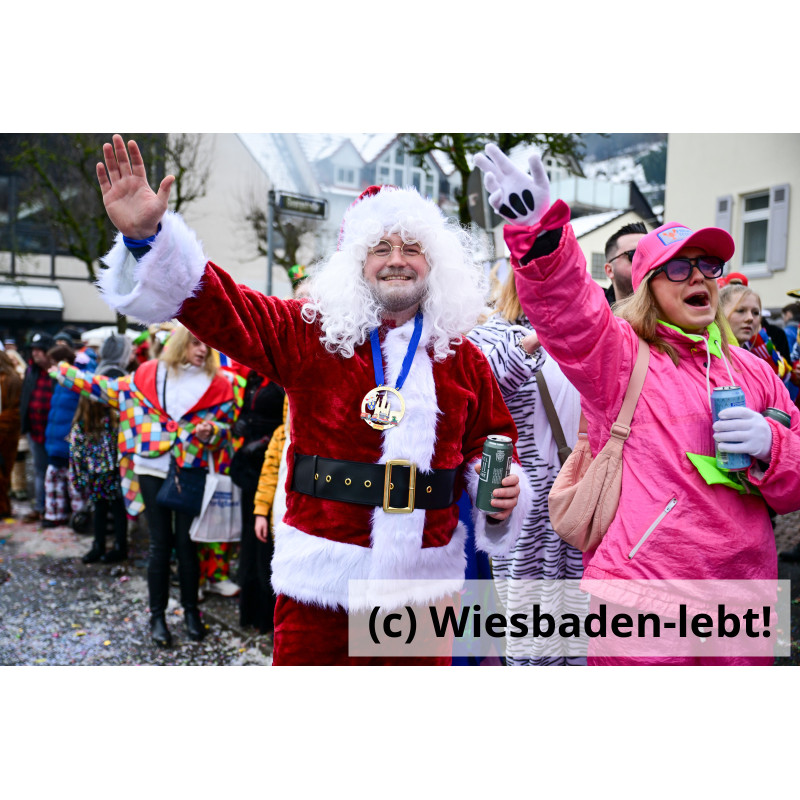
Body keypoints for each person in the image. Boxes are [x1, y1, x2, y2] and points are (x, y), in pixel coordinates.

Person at [92, 134, 527, 666]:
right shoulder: (311, 335)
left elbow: (493, 440)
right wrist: (148, 240)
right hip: (321, 589)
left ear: (433, 263)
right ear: (357, 263)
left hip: (421, 591)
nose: (397, 261)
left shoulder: (461, 356)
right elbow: (222, 306)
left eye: (412, 248)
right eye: (381, 249)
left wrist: (502, 489)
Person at [476, 143, 800, 666]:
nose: (699, 277)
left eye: (708, 265)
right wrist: (539, 234)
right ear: (648, 287)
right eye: (679, 268)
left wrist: (774, 446)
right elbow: (569, 312)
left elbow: (793, 489)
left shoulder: (756, 371)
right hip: (645, 597)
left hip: (745, 596)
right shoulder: (622, 359)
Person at [51, 323, 242, 647]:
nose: (202, 350)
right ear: (181, 343)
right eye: (196, 343)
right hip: (150, 467)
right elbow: (106, 388)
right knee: (158, 544)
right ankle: (158, 617)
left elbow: (229, 426)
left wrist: (215, 432)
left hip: (190, 468)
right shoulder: (149, 373)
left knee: (186, 544)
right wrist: (65, 372)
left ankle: (191, 612)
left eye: (206, 346)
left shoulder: (221, 384)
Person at [466, 268, 585, 665]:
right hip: (526, 508)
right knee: (531, 629)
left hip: (581, 499)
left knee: (583, 627)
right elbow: (481, 391)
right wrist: (533, 343)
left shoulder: (585, 339)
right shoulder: (492, 334)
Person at [231, 368, 285, 628]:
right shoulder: (254, 376)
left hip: (271, 461)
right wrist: (239, 424)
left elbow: (287, 422)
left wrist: (265, 441)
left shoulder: (280, 380)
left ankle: (266, 613)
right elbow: (246, 411)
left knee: (266, 540)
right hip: (249, 463)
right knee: (250, 536)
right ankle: (250, 609)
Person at [43, 344, 87, 528]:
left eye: (54, 363)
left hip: (68, 442)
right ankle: (54, 514)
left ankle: (80, 516)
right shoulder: (60, 383)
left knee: (73, 482)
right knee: (53, 479)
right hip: (55, 441)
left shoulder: (75, 381)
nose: (50, 368)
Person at [19, 332, 56, 523]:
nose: (35, 354)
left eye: (39, 350)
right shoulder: (30, 371)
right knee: (40, 470)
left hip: (53, 433)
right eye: (33, 350)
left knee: (54, 471)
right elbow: (25, 399)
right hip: (35, 431)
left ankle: (54, 509)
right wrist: (23, 425)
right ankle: (41, 508)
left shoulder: (57, 372)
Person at [0, 350, 23, 520]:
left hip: (6, 433)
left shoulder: (11, 379)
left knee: (3, 471)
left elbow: (14, 412)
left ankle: (3, 507)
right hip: (6, 430)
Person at [603, 222, 647, 305]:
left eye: (649, 254)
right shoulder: (594, 314)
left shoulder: (671, 311)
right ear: (609, 270)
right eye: (634, 254)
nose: (645, 262)